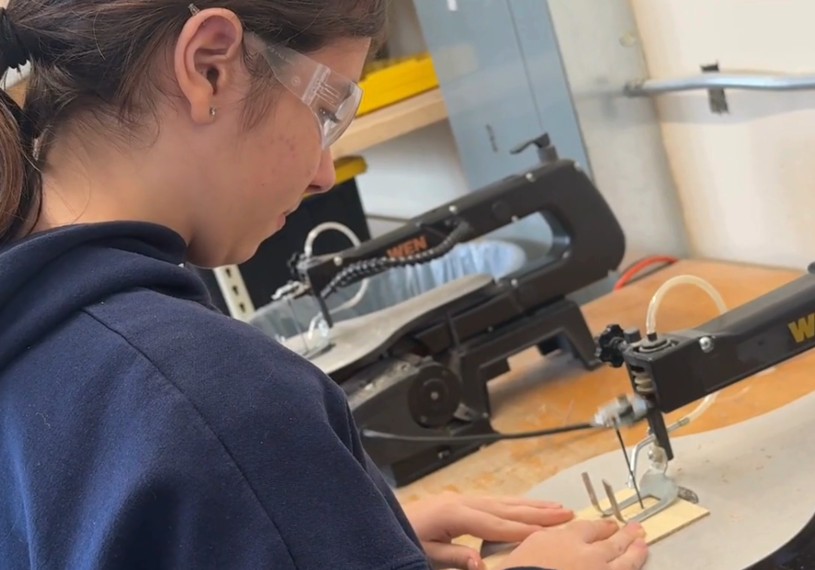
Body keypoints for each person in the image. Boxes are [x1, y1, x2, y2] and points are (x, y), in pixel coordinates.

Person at [0, 1, 650, 569]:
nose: (324, 173)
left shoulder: (32, 335)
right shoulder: (210, 399)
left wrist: (334, 531)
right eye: (327, 109)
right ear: (208, 67)